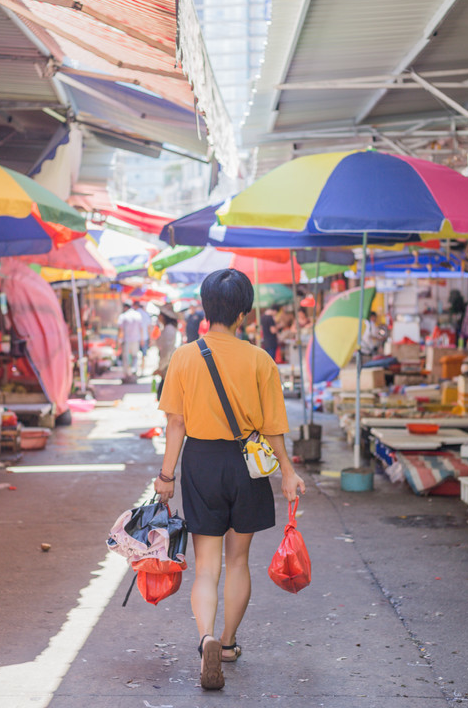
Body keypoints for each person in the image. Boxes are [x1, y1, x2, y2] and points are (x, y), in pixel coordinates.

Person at [156, 269, 306, 692]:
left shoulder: (184, 357)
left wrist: (167, 475)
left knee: (207, 568)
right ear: (244, 312)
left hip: (202, 461)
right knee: (238, 560)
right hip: (248, 463)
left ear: (205, 310)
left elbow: (176, 424)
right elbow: (274, 425)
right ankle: (226, 643)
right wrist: (288, 474)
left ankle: (204, 635)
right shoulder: (260, 360)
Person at [154, 305, 179, 400]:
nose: (158, 317)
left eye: (160, 314)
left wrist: (160, 367)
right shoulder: (168, 329)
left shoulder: (169, 329)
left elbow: (167, 351)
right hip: (168, 365)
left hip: (168, 365)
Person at [117, 301, 145, 382]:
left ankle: (127, 374)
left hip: (127, 340)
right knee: (134, 356)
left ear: (125, 307)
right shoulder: (137, 315)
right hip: (135, 339)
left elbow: (120, 330)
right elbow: (141, 328)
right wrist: (142, 339)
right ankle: (134, 372)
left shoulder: (123, 316)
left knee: (126, 358)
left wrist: (119, 340)